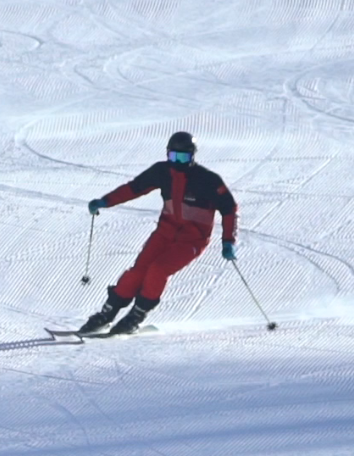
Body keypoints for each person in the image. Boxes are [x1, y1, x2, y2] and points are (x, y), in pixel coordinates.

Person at [80, 131, 238, 335]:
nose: (178, 162)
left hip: (192, 240)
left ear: (192, 156)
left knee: (158, 270)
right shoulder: (162, 171)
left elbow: (229, 209)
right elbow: (134, 188)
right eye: (173, 157)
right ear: (167, 154)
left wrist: (228, 241)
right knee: (138, 271)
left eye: (183, 158)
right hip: (164, 233)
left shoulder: (208, 180)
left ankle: (136, 315)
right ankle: (107, 313)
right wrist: (105, 201)